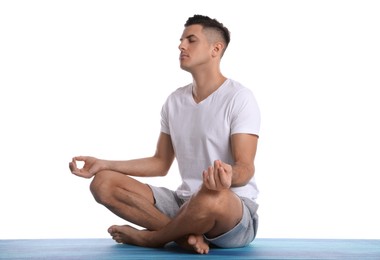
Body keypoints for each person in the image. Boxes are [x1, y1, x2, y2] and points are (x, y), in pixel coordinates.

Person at [69, 14, 261, 255]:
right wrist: (103, 164)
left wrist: (228, 177)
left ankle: (153, 238)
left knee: (212, 196)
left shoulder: (239, 98)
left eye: (191, 40)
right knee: (103, 183)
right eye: (181, 41)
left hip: (231, 211)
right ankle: (182, 237)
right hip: (185, 204)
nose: (181, 46)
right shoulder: (174, 101)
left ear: (216, 49)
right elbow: (160, 163)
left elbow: (246, 166)